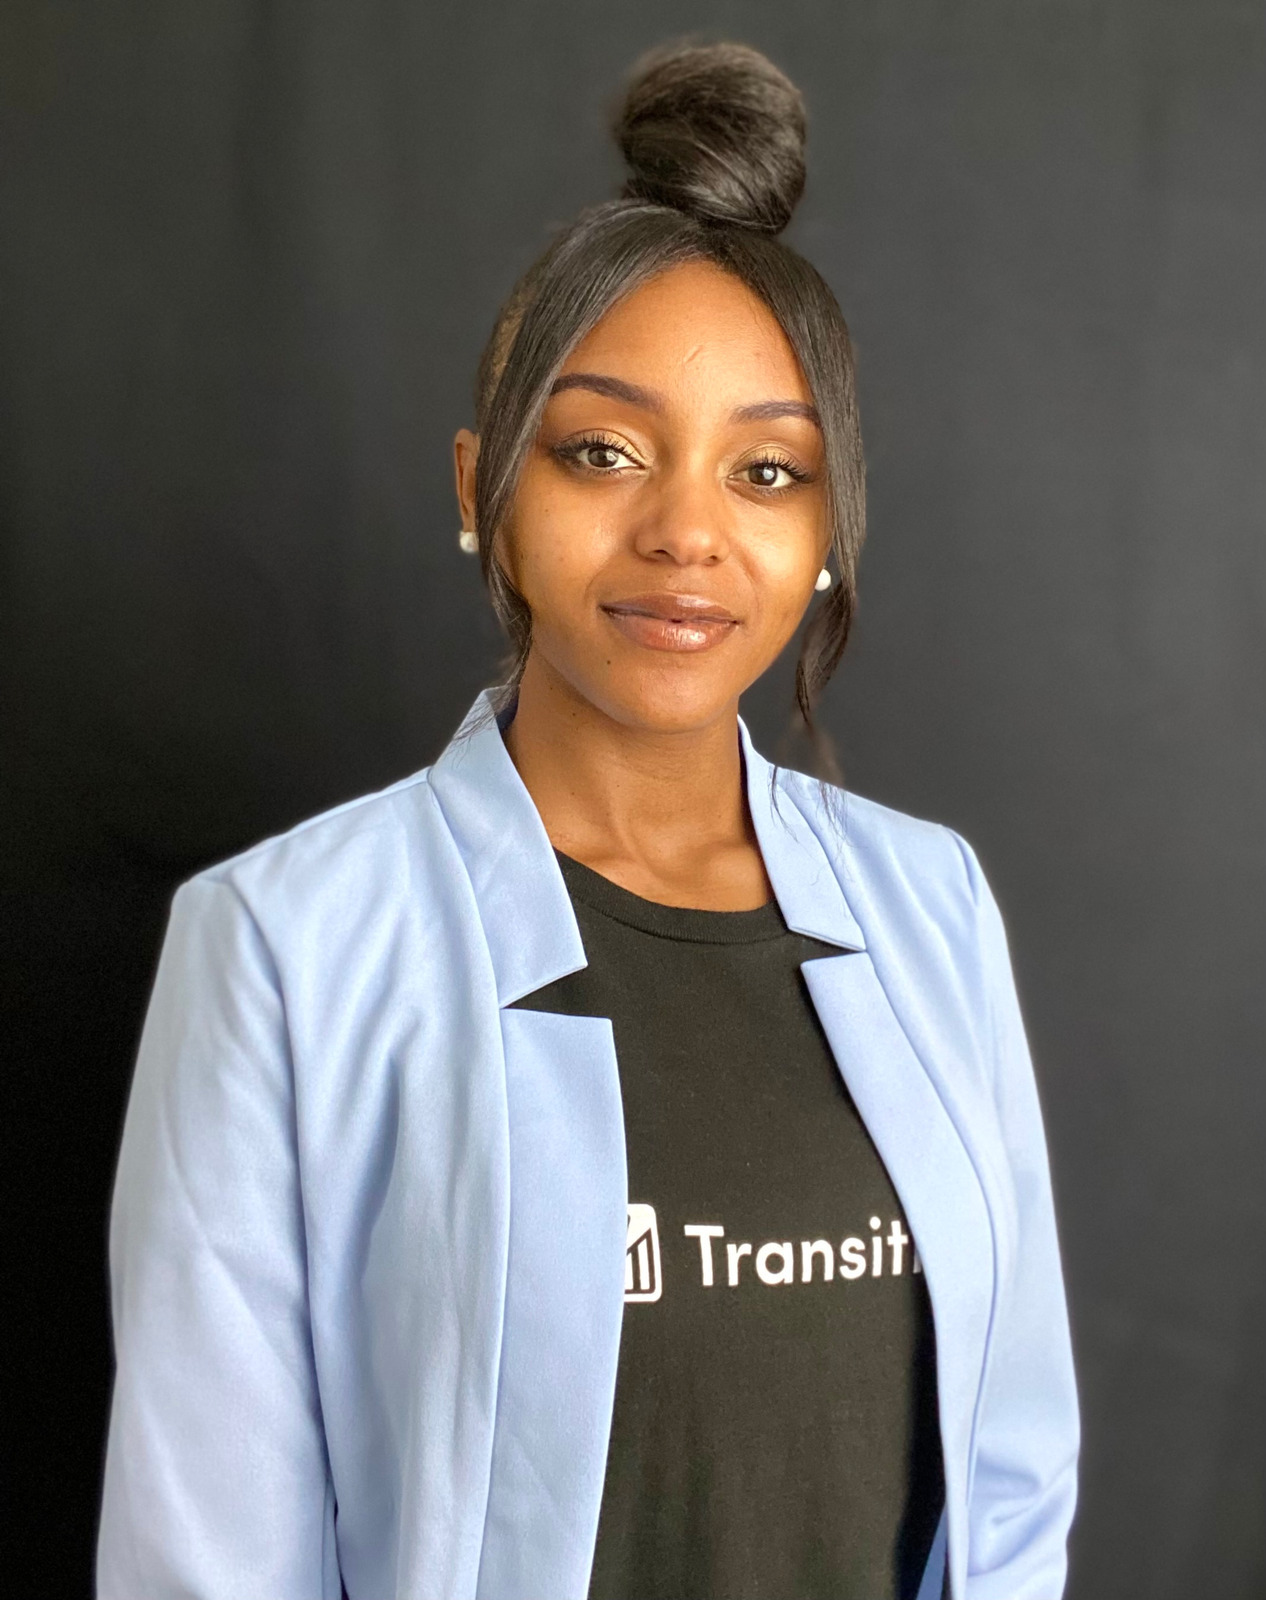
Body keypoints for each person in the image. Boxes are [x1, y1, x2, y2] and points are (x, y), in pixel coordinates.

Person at [96, 40, 1078, 1600]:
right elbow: (205, 1550)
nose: (686, 530)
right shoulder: (284, 943)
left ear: (826, 533)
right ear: (486, 487)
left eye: (767, 470)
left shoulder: (930, 905)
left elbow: (1012, 1480)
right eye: (601, 450)